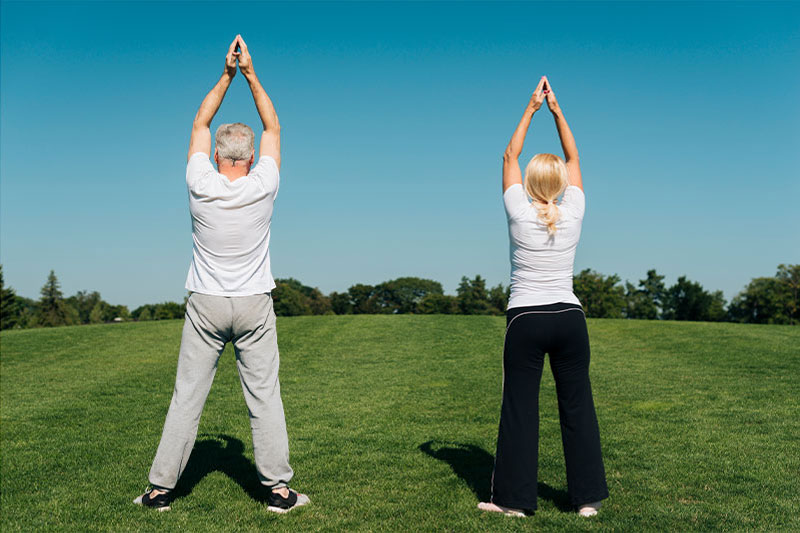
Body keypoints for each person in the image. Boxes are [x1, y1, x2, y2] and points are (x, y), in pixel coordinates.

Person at [134, 35, 309, 513]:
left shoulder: (199, 182)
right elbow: (273, 126)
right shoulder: (264, 183)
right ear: (250, 158)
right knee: (265, 399)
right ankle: (278, 491)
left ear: (216, 156)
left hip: (206, 304)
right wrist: (251, 73)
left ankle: (159, 492)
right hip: (253, 303)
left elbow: (199, 122)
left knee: (186, 399)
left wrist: (226, 75)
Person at [478, 76, 608, 517]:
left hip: (526, 320)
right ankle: (586, 501)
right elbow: (573, 155)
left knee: (520, 409)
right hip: (570, 319)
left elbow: (509, 154)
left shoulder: (518, 209)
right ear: (563, 184)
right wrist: (557, 111)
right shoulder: (574, 211)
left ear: (531, 183)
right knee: (578, 407)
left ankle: (514, 503)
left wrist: (531, 108)